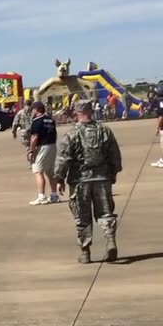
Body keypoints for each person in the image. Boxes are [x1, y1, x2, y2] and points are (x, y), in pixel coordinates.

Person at [54, 102, 122, 263]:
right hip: (102, 179)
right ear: (91, 111)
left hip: (80, 181)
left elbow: (63, 158)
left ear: (77, 112)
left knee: (82, 217)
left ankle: (85, 253)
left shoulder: (72, 134)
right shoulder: (105, 131)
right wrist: (113, 173)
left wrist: (59, 178)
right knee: (106, 212)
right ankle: (110, 240)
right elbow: (115, 155)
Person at [26, 101, 60, 205]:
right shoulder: (50, 120)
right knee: (50, 172)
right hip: (52, 145)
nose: (32, 112)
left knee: (38, 171)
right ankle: (54, 195)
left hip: (42, 147)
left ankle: (41, 197)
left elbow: (34, 137)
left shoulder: (37, 121)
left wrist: (31, 150)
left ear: (36, 110)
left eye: (32, 110)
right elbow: (55, 133)